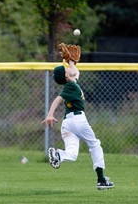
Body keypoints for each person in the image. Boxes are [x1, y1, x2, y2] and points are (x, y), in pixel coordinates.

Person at [41, 43, 114, 190]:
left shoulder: (72, 83)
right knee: (95, 145)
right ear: (67, 75)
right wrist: (50, 114)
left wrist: (71, 62)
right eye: (68, 69)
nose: (71, 68)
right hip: (78, 121)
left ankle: (58, 155)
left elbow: (75, 72)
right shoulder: (71, 86)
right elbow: (58, 98)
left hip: (67, 124)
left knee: (72, 155)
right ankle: (101, 180)